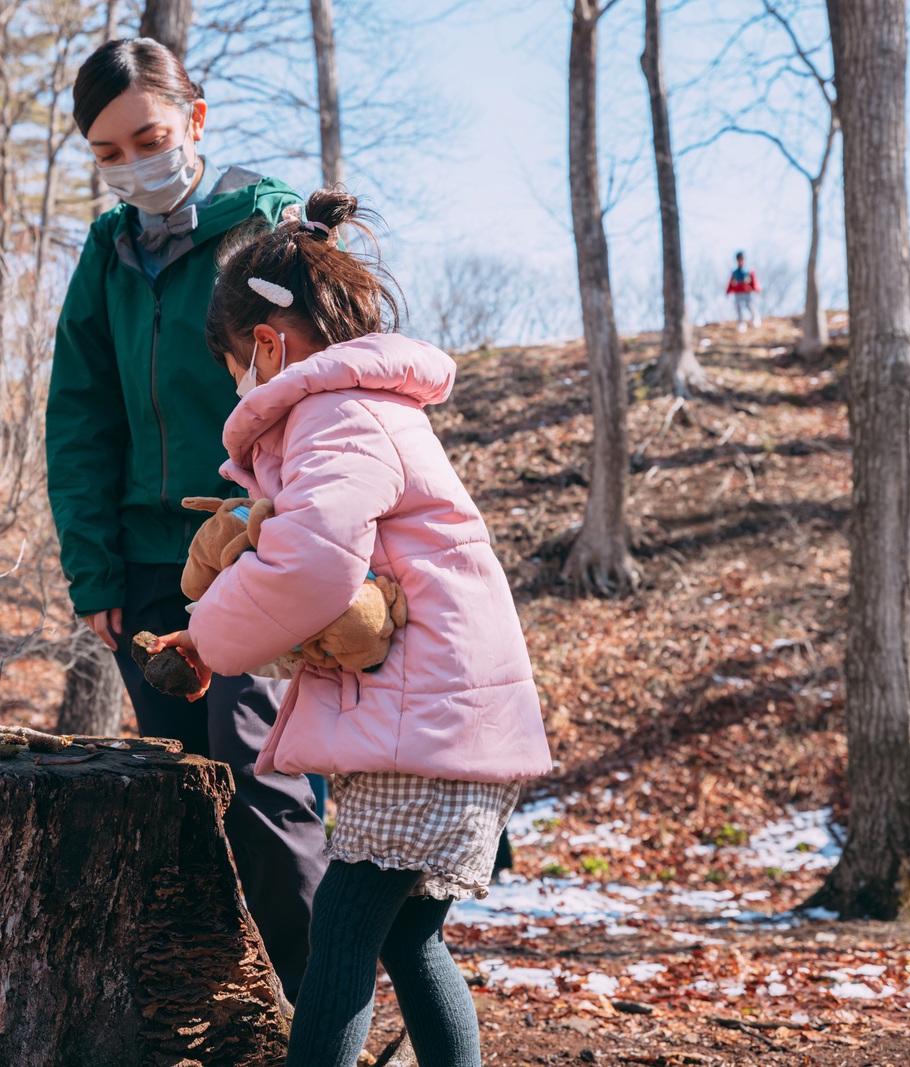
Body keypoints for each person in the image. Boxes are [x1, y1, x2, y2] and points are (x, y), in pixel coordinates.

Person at [151, 190, 551, 1067]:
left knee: (341, 937)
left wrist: (205, 638)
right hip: (442, 711)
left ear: (266, 342)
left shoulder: (336, 413)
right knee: (408, 939)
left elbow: (311, 562)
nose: (237, 387)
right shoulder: (368, 406)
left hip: (426, 720)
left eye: (231, 366)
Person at [45, 38, 327, 998]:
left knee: (257, 771)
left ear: (195, 122)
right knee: (180, 786)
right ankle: (216, 997)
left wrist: (290, 531)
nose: (132, 164)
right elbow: (79, 414)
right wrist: (94, 572)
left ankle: (320, 1009)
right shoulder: (106, 252)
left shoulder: (268, 229)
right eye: (108, 151)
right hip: (141, 567)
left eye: (149, 138)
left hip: (249, 550)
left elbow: (319, 390)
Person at [726, 251, 761, 332]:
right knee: (739, 308)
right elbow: (731, 283)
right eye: (739, 259)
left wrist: (756, 289)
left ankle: (755, 318)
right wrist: (728, 291)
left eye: (741, 259)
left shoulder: (748, 271)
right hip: (738, 293)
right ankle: (741, 323)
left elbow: (753, 281)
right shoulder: (735, 272)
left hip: (747, 292)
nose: (740, 261)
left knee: (750, 305)